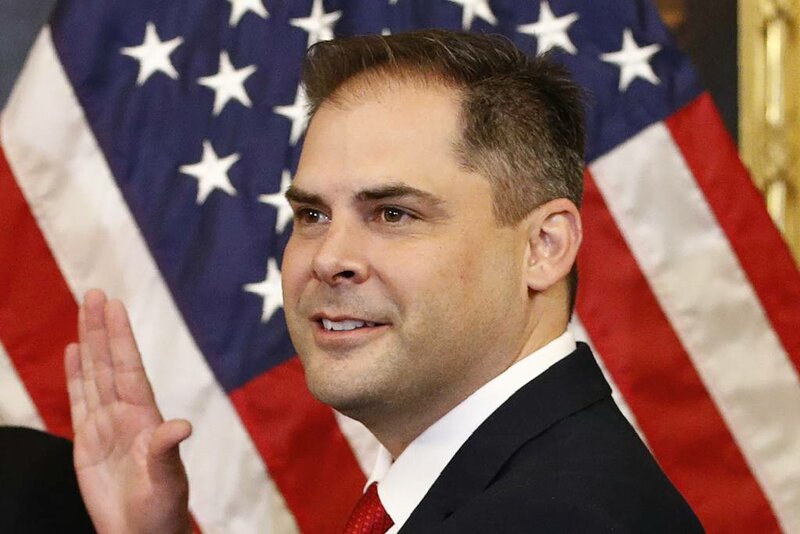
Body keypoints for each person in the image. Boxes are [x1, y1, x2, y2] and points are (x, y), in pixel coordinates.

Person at [65, 30, 703, 533]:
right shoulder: (499, 488)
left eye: (393, 214)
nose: (328, 258)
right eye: (312, 215)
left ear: (544, 246)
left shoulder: (553, 519)